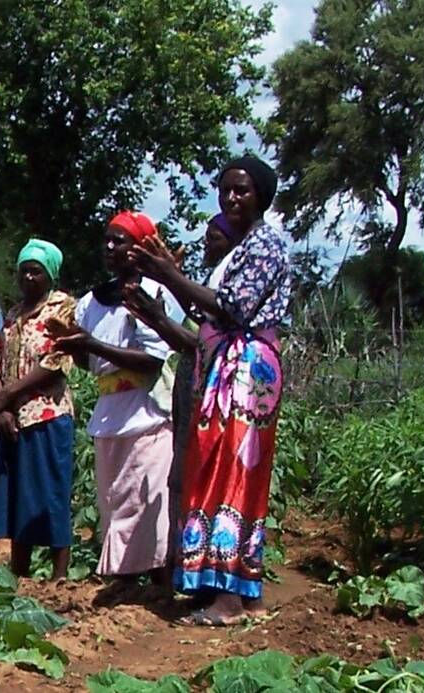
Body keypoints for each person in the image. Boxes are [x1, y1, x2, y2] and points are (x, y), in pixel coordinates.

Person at [130, 156, 293, 626]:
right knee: (221, 468)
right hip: (229, 366)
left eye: (242, 190)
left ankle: (230, 599)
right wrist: (163, 294)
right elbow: (210, 314)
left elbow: (231, 309)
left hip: (248, 367)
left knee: (234, 471)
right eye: (226, 190)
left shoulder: (265, 245)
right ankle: (232, 588)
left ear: (261, 195)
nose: (232, 197)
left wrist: (167, 275)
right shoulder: (242, 251)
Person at [54, 211, 186, 598]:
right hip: (111, 410)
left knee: (150, 498)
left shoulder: (153, 296)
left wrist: (91, 345)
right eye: (108, 241)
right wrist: (74, 345)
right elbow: (89, 360)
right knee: (115, 498)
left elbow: (153, 359)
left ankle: (162, 581)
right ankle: (125, 579)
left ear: (142, 248)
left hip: (149, 410)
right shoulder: (93, 302)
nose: (111, 248)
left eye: (121, 241)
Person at [0, 239, 77, 581]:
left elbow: (56, 362)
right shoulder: (12, 315)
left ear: (50, 275)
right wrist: (1, 406)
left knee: (50, 491)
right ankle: (19, 571)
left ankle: (59, 575)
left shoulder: (62, 308)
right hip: (13, 419)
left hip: (47, 415)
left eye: (35, 271)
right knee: (18, 496)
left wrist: (8, 394)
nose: (28, 277)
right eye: (23, 271)